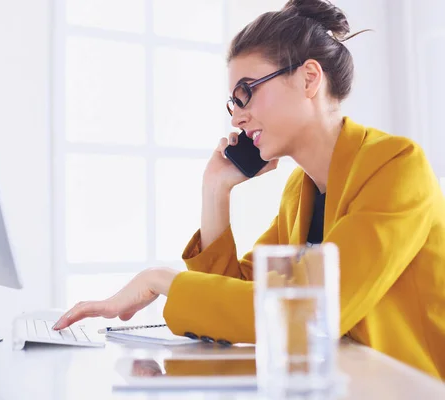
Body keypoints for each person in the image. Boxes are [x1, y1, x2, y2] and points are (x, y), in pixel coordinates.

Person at [54, 0, 445, 380]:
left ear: (309, 78)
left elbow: (318, 311)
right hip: (335, 384)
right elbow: (241, 300)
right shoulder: (300, 192)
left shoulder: (396, 167)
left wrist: (162, 280)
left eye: (247, 92)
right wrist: (215, 191)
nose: (239, 116)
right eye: (233, 103)